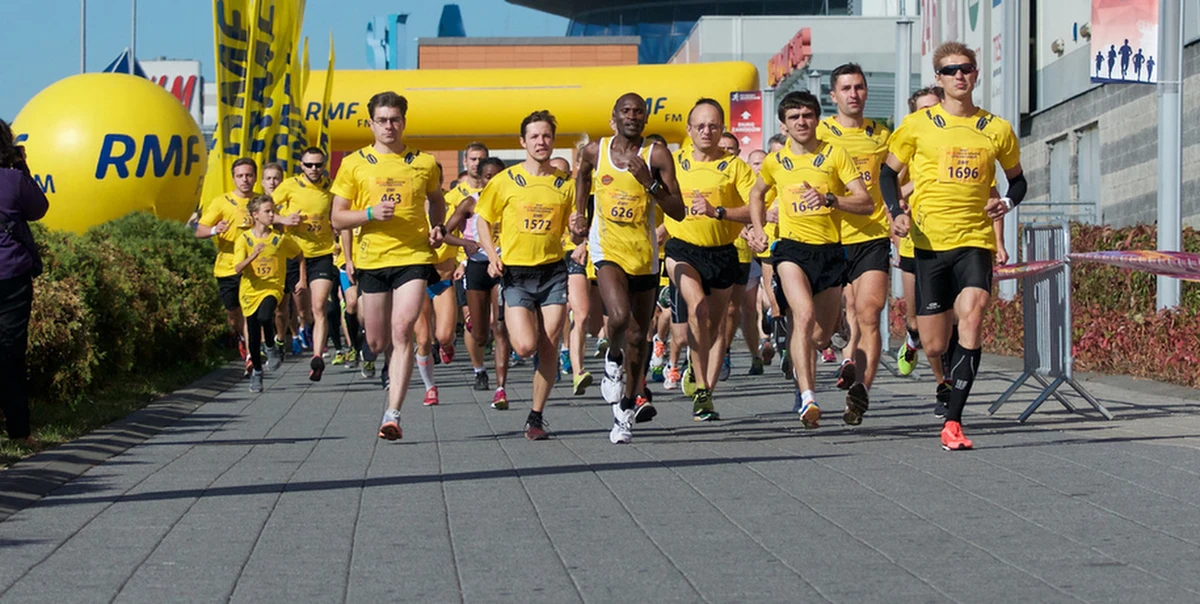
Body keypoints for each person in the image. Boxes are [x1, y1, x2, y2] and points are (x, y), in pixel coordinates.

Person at [879, 41, 1026, 451]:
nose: (959, 75)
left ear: (976, 74)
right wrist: (896, 212)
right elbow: (887, 175)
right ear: (939, 79)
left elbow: (1018, 181)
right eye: (950, 70)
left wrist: (1006, 203)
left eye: (966, 68)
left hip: (974, 240)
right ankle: (941, 375)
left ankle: (954, 422)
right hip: (928, 244)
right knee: (935, 344)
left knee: (973, 316)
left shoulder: (996, 129)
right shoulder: (917, 125)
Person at [747, 90, 873, 429]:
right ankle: (807, 398)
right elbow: (757, 194)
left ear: (817, 119)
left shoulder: (835, 154)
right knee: (801, 315)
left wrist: (830, 199)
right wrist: (758, 230)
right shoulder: (775, 161)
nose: (801, 122)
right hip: (791, 251)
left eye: (807, 116)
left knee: (819, 337)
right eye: (794, 117)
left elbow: (865, 202)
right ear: (784, 125)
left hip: (829, 252)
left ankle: (836, 326)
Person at [331, 91, 447, 441]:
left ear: (403, 122)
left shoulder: (423, 162)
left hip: (413, 256)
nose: (389, 126)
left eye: (395, 119)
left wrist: (438, 226)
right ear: (371, 124)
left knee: (403, 328)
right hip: (373, 260)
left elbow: (437, 199)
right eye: (382, 120)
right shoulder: (355, 163)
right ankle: (375, 356)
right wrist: (369, 213)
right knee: (378, 341)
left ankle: (392, 413)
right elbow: (337, 217)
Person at [573, 93, 686, 444]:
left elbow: (678, 210)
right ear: (615, 116)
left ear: (646, 119)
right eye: (626, 111)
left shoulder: (656, 155)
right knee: (619, 315)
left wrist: (649, 183)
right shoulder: (596, 151)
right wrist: (580, 214)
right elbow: (582, 177)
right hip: (607, 247)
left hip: (644, 253)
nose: (632, 116)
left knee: (639, 336)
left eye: (639, 112)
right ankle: (612, 360)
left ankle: (625, 409)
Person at [474, 110, 576, 441]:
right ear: (523, 142)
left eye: (546, 136)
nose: (541, 142)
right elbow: (482, 220)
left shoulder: (565, 185)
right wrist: (492, 255)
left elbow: (576, 226)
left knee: (550, 343)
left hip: (552, 272)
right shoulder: (505, 181)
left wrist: (579, 233)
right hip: (516, 273)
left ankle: (536, 416)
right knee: (525, 346)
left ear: (553, 140)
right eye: (534, 136)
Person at [663, 98, 755, 420]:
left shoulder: (735, 167)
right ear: (689, 129)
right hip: (682, 250)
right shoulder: (673, 162)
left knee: (713, 330)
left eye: (713, 126)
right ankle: (702, 388)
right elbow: (651, 197)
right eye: (700, 126)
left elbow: (754, 209)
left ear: (722, 129)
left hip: (722, 253)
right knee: (698, 307)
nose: (707, 131)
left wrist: (719, 212)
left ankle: (699, 374)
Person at [817, 63, 892, 425]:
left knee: (869, 312)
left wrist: (897, 207)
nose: (854, 94)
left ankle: (860, 390)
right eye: (846, 88)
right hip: (828, 237)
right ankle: (834, 345)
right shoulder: (819, 133)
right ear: (833, 96)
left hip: (872, 234)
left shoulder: (882, 135)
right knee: (824, 327)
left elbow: (900, 179)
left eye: (859, 87)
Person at [444, 156, 512, 409]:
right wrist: (465, 243)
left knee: (500, 328)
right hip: (477, 266)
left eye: (497, 176)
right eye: (488, 177)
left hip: (503, 266)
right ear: (480, 179)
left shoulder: (512, 201)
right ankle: (479, 366)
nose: (492, 181)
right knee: (481, 334)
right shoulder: (470, 203)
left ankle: (501, 388)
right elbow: (445, 233)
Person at [0, 119, 48, 445]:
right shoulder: (14, 180)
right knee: (11, 354)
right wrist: (21, 166)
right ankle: (19, 432)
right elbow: (39, 208)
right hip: (11, 275)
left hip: (11, 273)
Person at [273, 147, 337, 381]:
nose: (314, 169)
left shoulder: (331, 187)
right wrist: (284, 219)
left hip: (322, 254)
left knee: (319, 306)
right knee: (301, 310)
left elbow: (340, 213)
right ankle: (299, 329)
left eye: (318, 165)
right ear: (301, 165)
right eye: (309, 165)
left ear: (324, 165)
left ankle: (317, 357)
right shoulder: (289, 186)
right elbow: (263, 211)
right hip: (294, 254)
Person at [233, 195, 304, 392]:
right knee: (253, 335)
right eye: (268, 211)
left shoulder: (279, 239)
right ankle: (257, 372)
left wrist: (302, 279)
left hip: (273, 288)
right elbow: (237, 268)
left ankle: (271, 347)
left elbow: (299, 254)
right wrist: (253, 255)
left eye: (273, 211)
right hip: (250, 291)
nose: (272, 215)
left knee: (265, 316)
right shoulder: (244, 239)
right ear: (255, 215)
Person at [196, 157, 257, 376]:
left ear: (255, 177)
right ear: (233, 178)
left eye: (249, 175)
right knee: (233, 314)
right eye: (240, 176)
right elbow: (199, 230)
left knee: (251, 312)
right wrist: (215, 230)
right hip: (227, 267)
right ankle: (240, 337)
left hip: (253, 268)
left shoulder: (261, 202)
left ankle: (251, 355)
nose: (245, 180)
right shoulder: (221, 202)